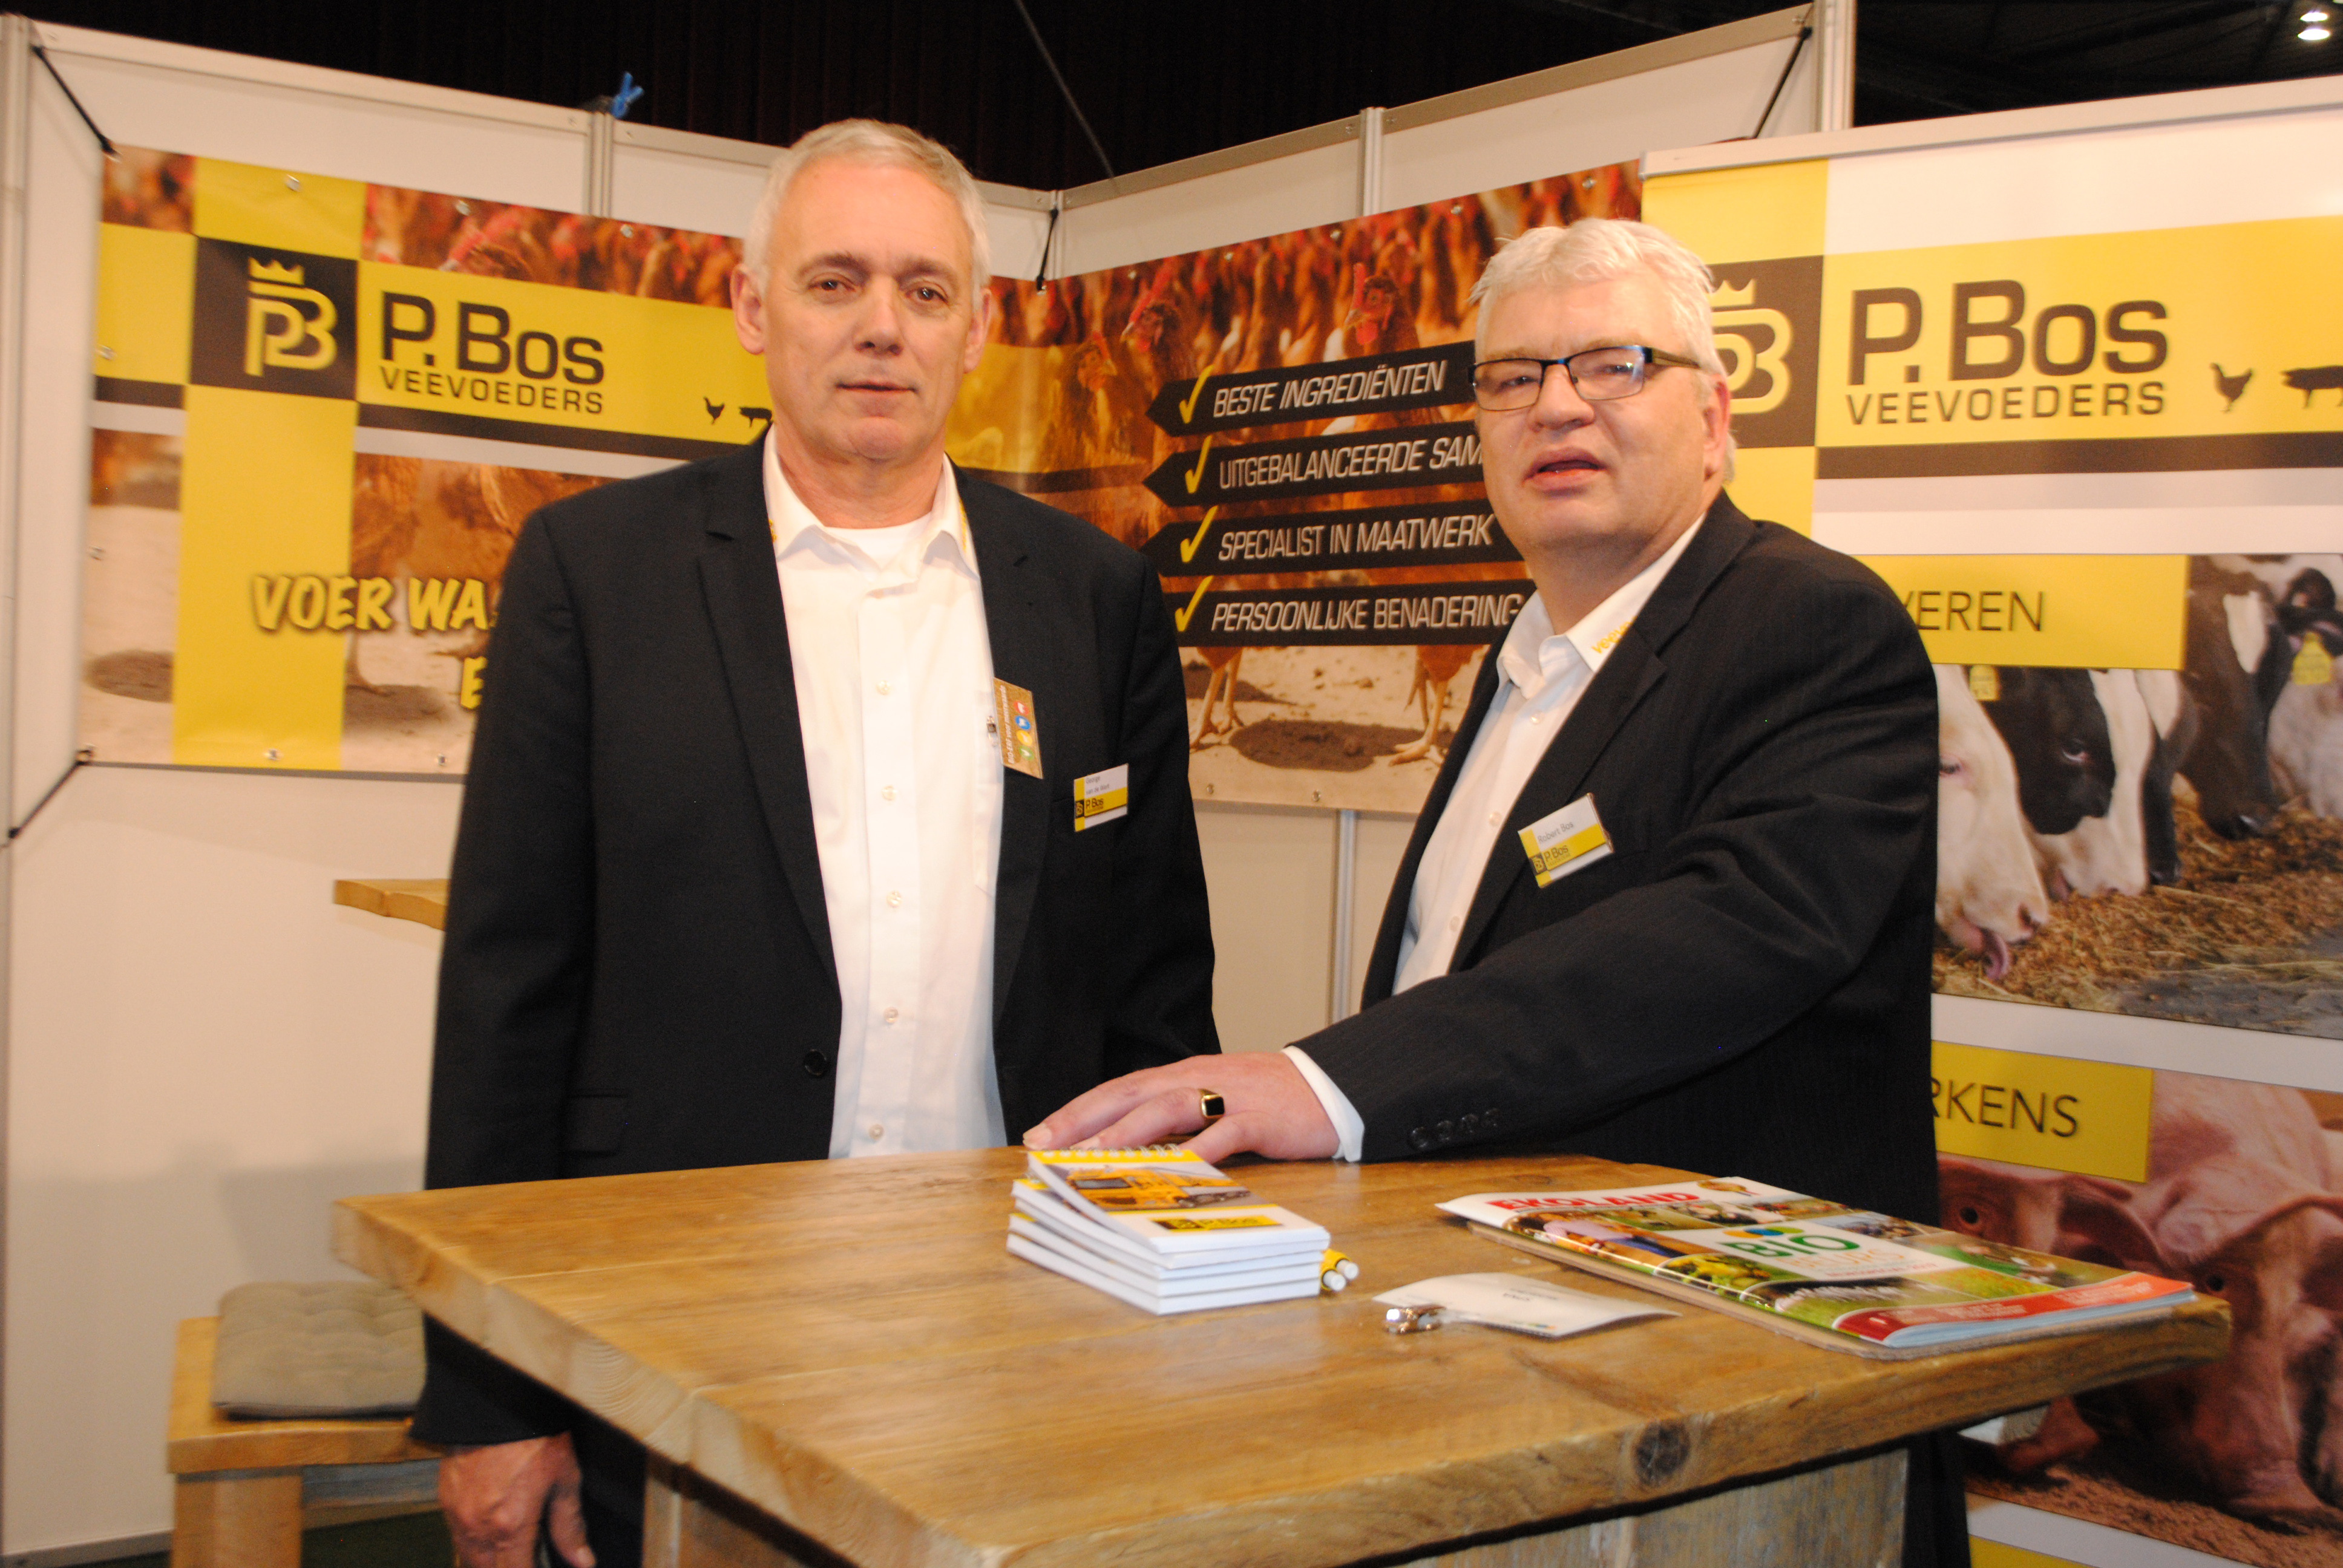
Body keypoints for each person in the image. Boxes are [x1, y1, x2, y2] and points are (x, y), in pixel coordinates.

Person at [1024, 219, 1961, 1564]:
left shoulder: (1808, 619)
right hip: (1521, 1385)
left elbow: (1735, 928)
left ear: (1715, 418)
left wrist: (1329, 1084)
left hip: (1736, 1420)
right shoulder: (1522, 664)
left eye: (1614, 364)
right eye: (1515, 377)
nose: (1557, 406)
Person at [416, 119, 1217, 1568]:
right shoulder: (596, 574)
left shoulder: (1095, 597)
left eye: (924, 289)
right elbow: (504, 998)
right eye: (834, 280)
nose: (880, 327)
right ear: (751, 307)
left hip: (1021, 1316)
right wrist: (489, 1392)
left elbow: (1156, 989)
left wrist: (1170, 1301)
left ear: (979, 326)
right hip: (671, 1314)